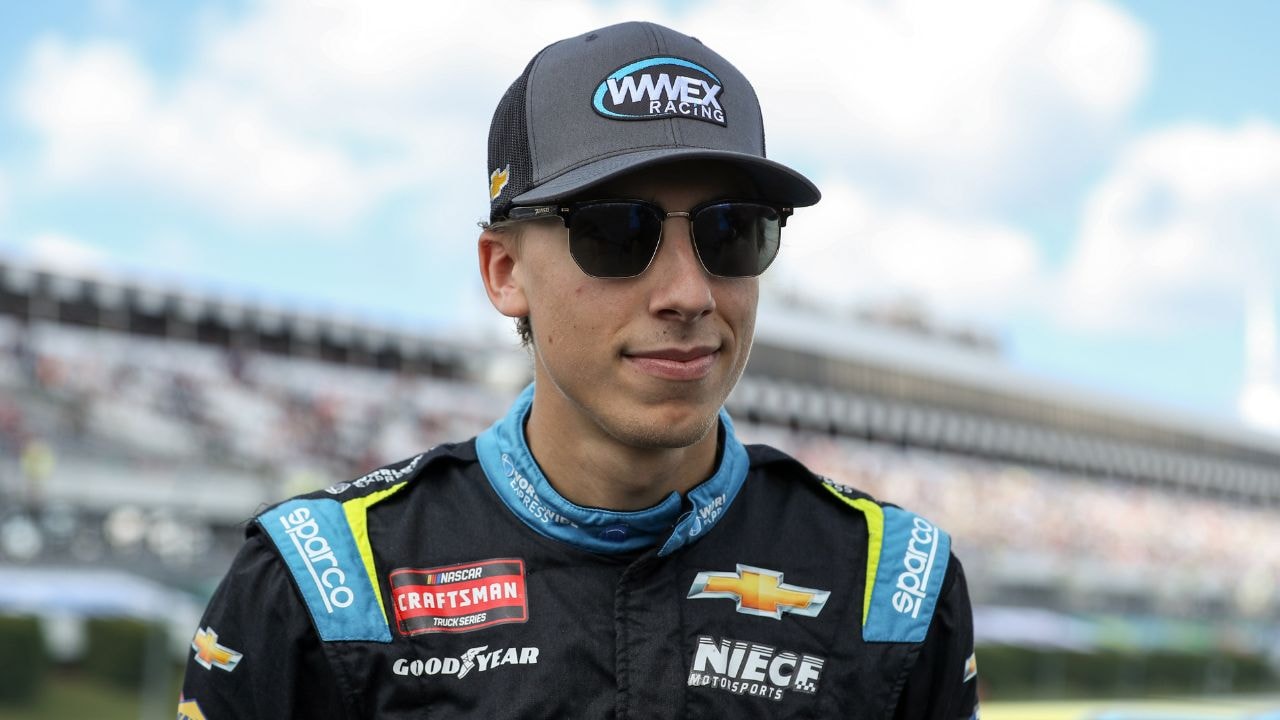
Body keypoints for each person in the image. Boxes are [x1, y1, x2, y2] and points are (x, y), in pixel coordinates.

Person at [178, 20, 978, 720]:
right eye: (615, 232)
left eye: (733, 231)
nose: (689, 293)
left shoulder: (895, 585)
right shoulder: (321, 578)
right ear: (504, 272)